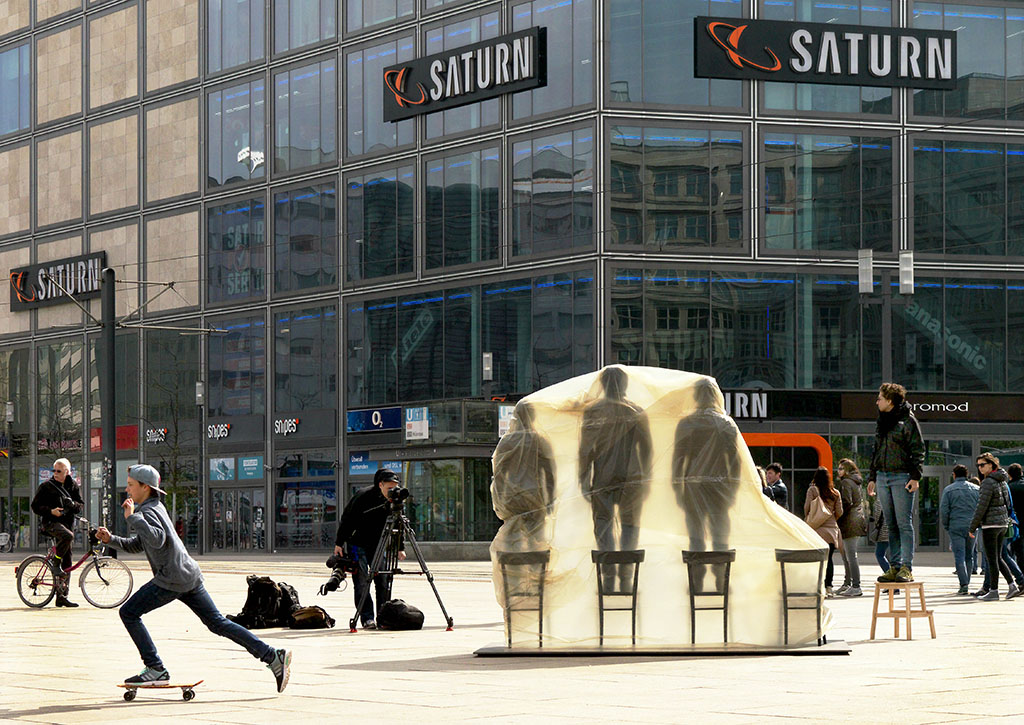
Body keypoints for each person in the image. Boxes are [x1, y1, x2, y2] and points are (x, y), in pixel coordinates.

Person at [96, 464, 291, 689]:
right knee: (218, 623)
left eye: (131, 485)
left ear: (145, 487)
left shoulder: (146, 511)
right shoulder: (155, 507)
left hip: (172, 578)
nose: (127, 490)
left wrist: (132, 518)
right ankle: (272, 656)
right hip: (188, 575)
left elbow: (157, 539)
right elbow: (139, 544)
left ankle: (155, 668)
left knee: (128, 613)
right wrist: (110, 539)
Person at [671, 379, 742, 593]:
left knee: (695, 537)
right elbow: (736, 463)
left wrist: (678, 491)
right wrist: (732, 491)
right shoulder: (726, 424)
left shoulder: (686, 424)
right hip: (720, 489)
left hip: (693, 488)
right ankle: (721, 581)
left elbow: (677, 462)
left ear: (695, 397)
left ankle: (696, 583)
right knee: (720, 537)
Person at [578, 367, 653, 561]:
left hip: (603, 477)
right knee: (630, 526)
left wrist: (584, 478)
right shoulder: (637, 412)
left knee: (603, 526)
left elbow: (586, 450)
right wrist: (646, 479)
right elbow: (646, 450)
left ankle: (608, 576)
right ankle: (627, 577)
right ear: (625, 384)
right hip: (633, 477)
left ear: (602, 385)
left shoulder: (593, 411)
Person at [334, 468, 406, 630]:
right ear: (380, 485)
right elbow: (347, 519)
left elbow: (399, 523)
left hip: (379, 544)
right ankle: (367, 618)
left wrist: (400, 547)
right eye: (389, 487)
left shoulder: (395, 500)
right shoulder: (363, 496)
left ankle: (383, 616)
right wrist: (339, 543)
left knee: (382, 580)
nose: (393, 490)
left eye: (395, 487)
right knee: (361, 582)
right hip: (356, 543)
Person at [867, 383, 925, 584]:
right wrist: (872, 477)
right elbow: (876, 450)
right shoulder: (881, 421)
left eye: (880, 398)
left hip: (901, 476)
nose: (877, 401)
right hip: (883, 476)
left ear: (889, 400)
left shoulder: (908, 421)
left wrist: (915, 477)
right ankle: (894, 566)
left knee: (903, 524)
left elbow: (918, 450)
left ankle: (907, 568)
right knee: (891, 525)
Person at [491, 401, 557, 551]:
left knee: (513, 540)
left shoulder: (507, 442)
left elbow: (499, 474)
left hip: (512, 499)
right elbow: (549, 475)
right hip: (535, 497)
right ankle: (537, 572)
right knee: (537, 541)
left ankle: (513, 573)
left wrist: (500, 499)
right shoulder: (540, 441)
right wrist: (551, 500)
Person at [30, 458, 84, 607]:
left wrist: (72, 504)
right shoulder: (46, 486)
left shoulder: (73, 486)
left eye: (58, 471)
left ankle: (61, 597)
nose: (55, 473)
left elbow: (80, 506)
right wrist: (51, 511)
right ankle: (55, 562)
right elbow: (35, 506)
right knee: (68, 536)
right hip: (50, 523)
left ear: (67, 472)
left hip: (67, 524)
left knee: (68, 561)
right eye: (54, 470)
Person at [968, 453, 1016, 601]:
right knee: (998, 557)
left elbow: (981, 507)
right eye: (978, 465)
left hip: (991, 524)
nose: (980, 468)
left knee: (992, 559)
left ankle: (994, 591)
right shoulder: (1002, 480)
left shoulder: (988, 482)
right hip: (1002, 523)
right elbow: (1007, 503)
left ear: (991, 464)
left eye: (983, 465)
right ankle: (1012, 585)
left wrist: (972, 526)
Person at [939, 464, 979, 595]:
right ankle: (966, 581)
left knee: (959, 556)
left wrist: (947, 525)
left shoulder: (948, 490)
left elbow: (944, 511)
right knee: (969, 556)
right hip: (972, 526)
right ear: (967, 475)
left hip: (956, 526)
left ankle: (963, 584)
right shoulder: (976, 489)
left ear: (954, 475)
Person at [804, 467, 843, 597]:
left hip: (816, 530)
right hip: (831, 530)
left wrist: (811, 518)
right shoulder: (835, 493)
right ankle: (829, 587)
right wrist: (831, 518)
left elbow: (807, 507)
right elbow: (840, 512)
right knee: (829, 559)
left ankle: (818, 586)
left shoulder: (813, 490)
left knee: (817, 559)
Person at [835, 459, 867, 597]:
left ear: (847, 470)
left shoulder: (846, 482)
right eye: (838, 468)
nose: (839, 470)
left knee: (850, 556)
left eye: (842, 468)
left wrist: (838, 515)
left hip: (850, 521)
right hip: (856, 519)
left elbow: (847, 501)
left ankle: (855, 586)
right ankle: (848, 583)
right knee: (848, 555)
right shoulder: (855, 482)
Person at [1006, 463, 1024, 575]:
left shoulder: (1009, 488)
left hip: (1016, 523)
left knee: (1018, 551)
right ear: (1021, 472)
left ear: (1009, 475)